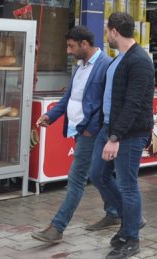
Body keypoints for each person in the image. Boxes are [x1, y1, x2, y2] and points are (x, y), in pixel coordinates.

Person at [31, 26, 116, 245]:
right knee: (102, 175)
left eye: (71, 46)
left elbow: (108, 103)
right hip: (78, 129)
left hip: (91, 132)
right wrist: (51, 115)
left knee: (77, 178)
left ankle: (57, 227)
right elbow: (69, 98)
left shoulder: (105, 65)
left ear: (84, 44)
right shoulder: (79, 67)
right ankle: (117, 212)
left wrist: (91, 127)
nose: (68, 51)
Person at [90, 12, 155, 259]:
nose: (106, 35)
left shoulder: (139, 60)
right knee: (98, 174)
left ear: (114, 31)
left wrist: (115, 137)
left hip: (128, 132)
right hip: (109, 127)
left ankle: (131, 236)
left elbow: (133, 103)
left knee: (128, 185)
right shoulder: (120, 59)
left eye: (107, 31)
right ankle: (133, 218)